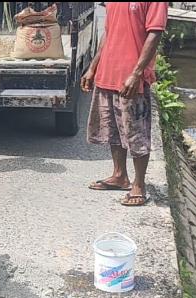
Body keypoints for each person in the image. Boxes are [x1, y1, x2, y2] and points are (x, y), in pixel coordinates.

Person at [81, 2, 167, 206]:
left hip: (132, 78)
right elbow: (108, 33)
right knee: (113, 130)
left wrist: (137, 73)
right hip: (108, 72)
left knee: (136, 133)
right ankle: (120, 176)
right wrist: (93, 67)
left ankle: (139, 185)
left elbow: (155, 33)